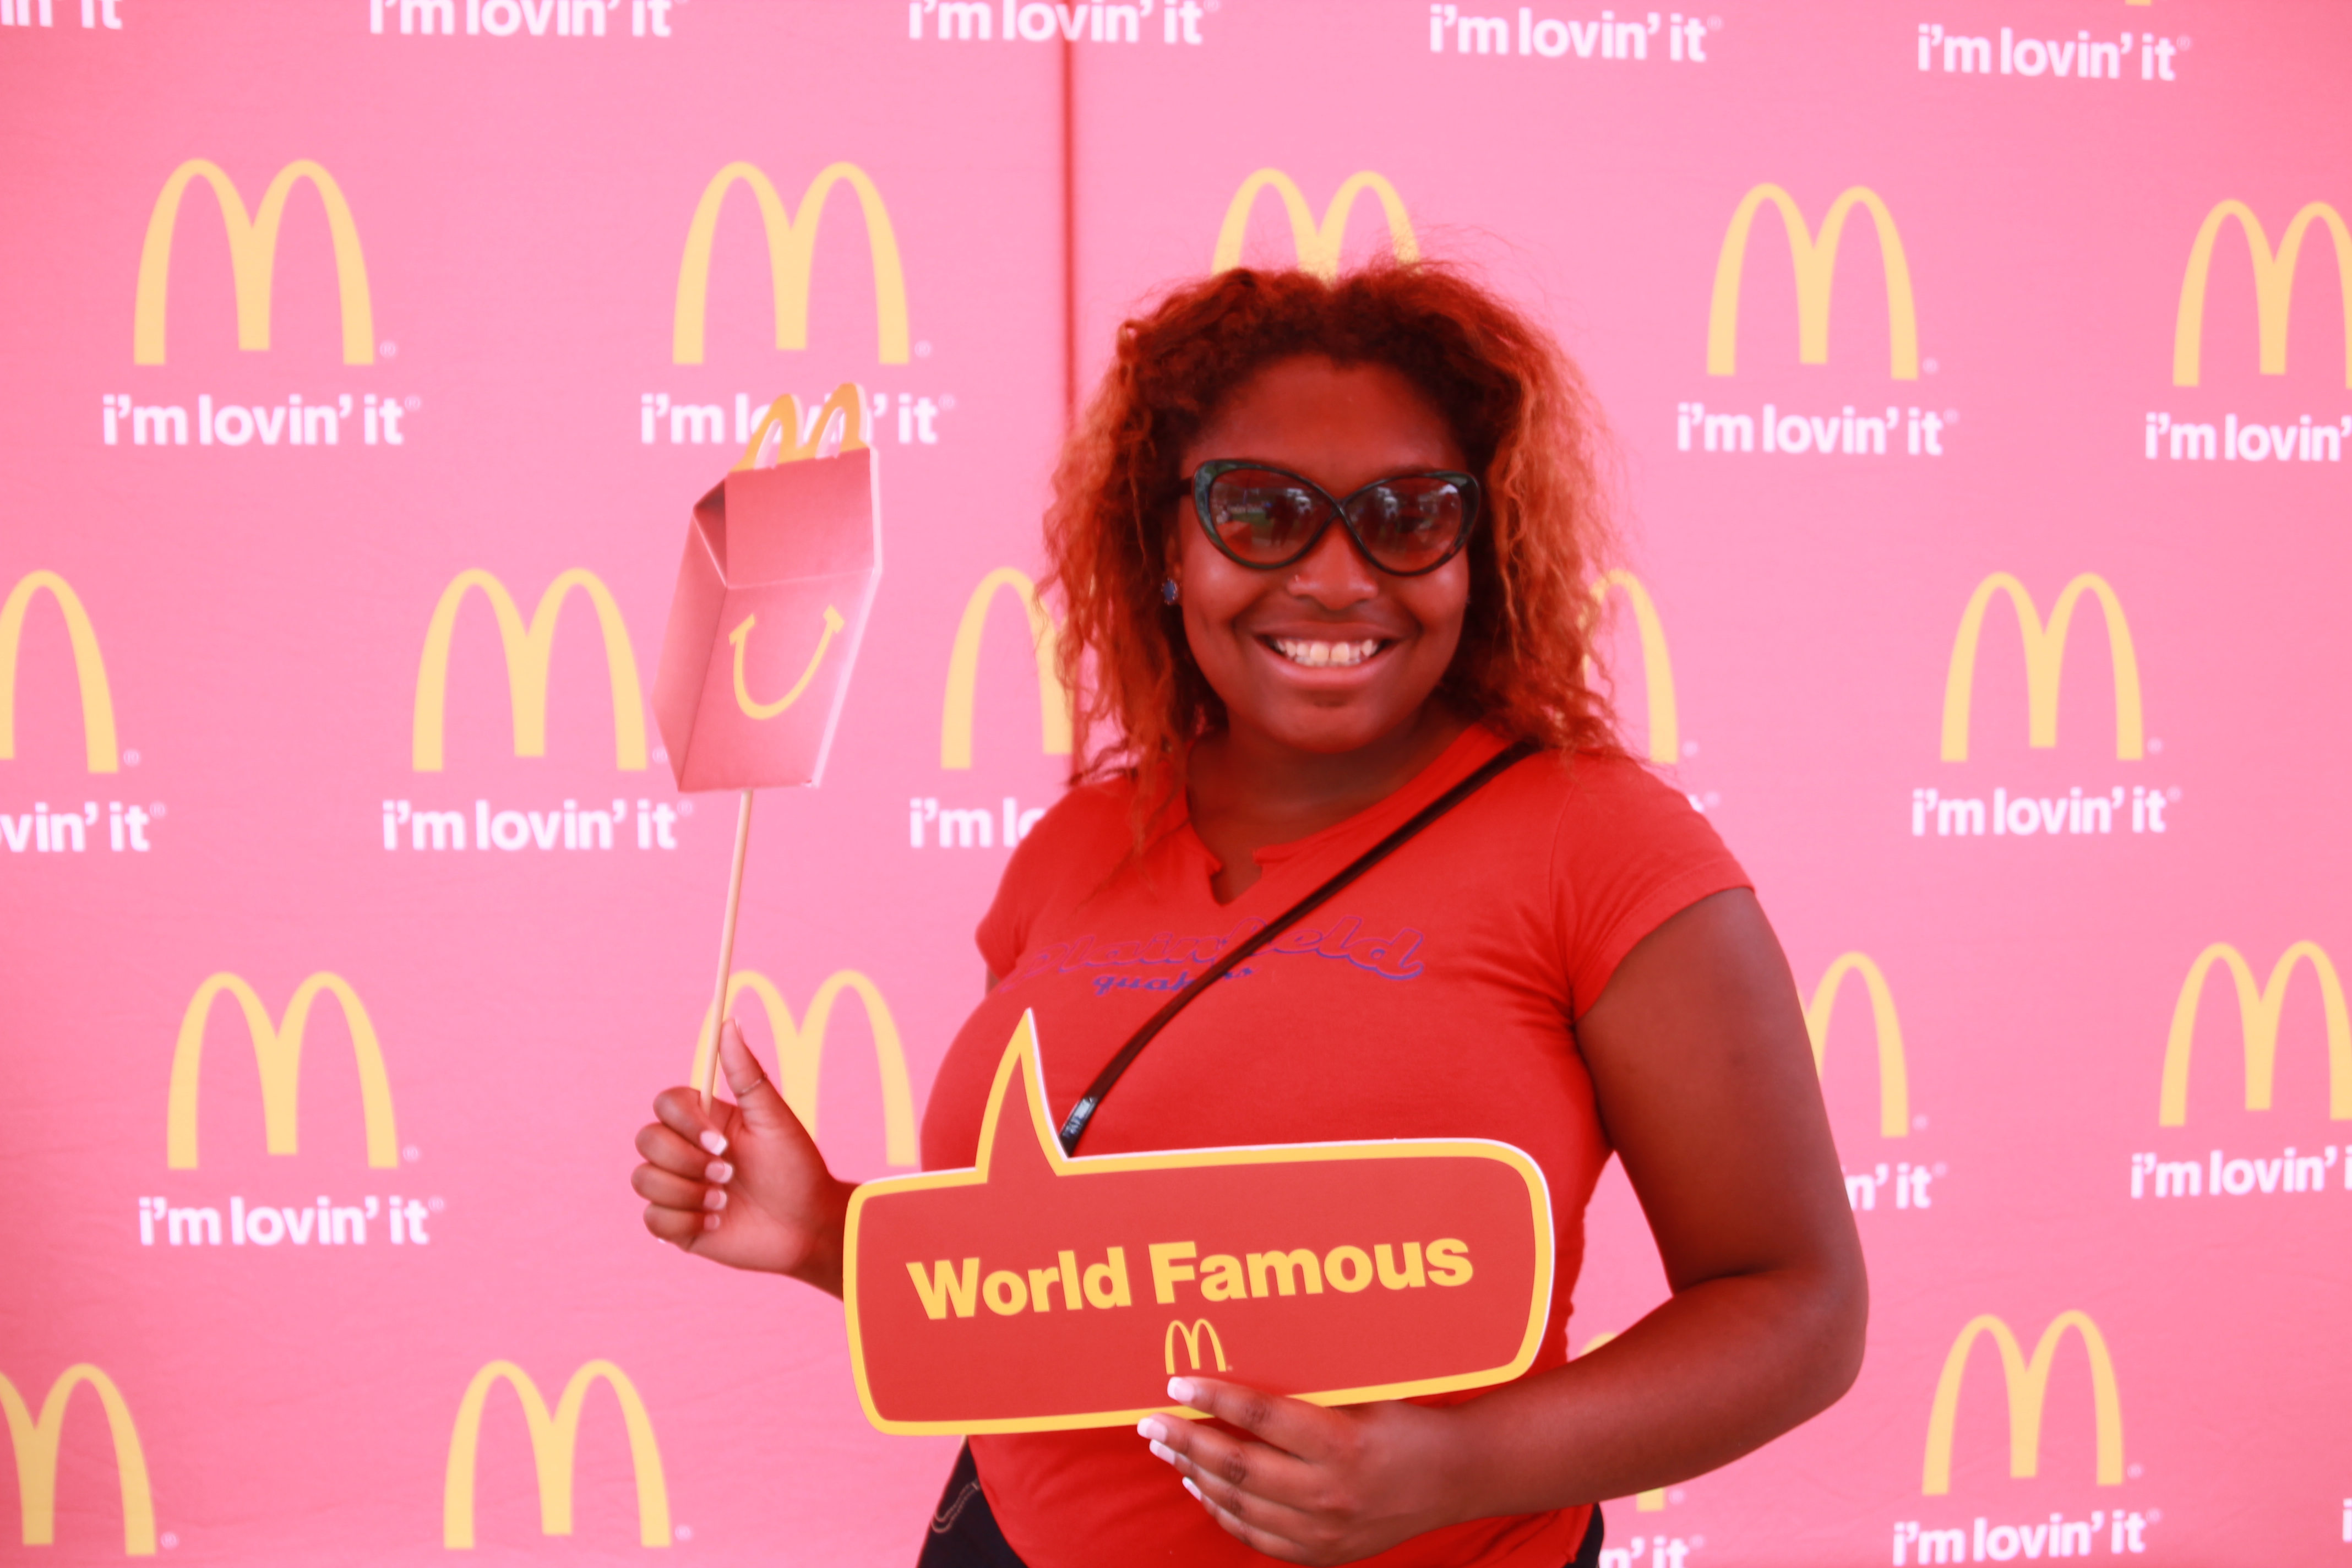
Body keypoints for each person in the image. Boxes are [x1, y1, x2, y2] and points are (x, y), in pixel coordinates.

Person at [631, 262, 1866, 1567]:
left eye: (1406, 516)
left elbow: (1797, 1304)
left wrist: (1453, 1468)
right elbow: (1062, 1283)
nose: (1335, 577)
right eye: (1261, 512)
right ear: (1170, 546)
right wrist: (828, 1232)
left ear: (1479, 551)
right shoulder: (1072, 850)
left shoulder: (1603, 846)